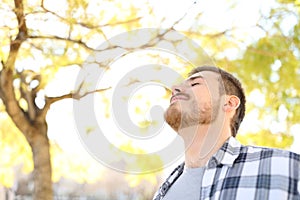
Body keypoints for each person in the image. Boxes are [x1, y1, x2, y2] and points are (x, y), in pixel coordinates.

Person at [153, 66, 300, 200]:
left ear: (229, 103)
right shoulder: (161, 193)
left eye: (195, 84)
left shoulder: (289, 168)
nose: (175, 89)